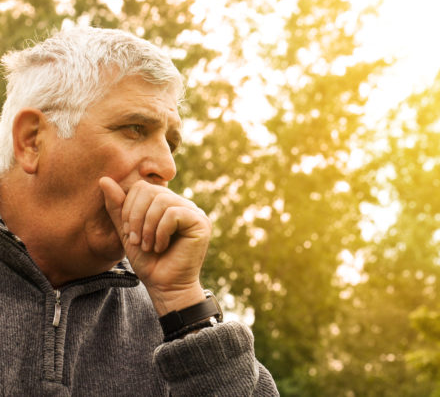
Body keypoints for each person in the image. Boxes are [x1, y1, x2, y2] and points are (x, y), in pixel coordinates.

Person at [0, 26, 279, 395]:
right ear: (32, 141)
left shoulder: (170, 316)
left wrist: (184, 308)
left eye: (171, 143)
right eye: (135, 128)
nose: (167, 167)